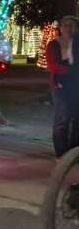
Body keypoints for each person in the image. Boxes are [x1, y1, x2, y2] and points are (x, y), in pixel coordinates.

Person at [46, 15, 79, 158]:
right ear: (60, 28)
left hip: (76, 86)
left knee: (77, 119)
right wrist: (72, 69)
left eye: (73, 25)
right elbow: (54, 65)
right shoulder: (54, 44)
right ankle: (62, 153)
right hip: (60, 86)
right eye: (66, 25)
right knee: (62, 119)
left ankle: (73, 152)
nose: (69, 28)